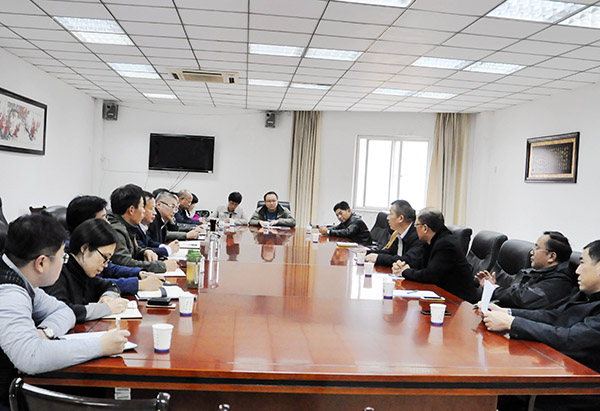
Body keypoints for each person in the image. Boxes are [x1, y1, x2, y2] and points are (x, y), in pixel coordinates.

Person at [0, 214, 129, 408]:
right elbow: (30, 357)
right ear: (41, 263)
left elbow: (64, 311)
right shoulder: (9, 293)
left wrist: (46, 332)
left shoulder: (23, 280)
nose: (64, 262)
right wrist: (101, 345)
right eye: (62, 256)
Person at [483, 240, 600, 411]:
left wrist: (512, 323)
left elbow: (570, 339)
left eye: (582, 263)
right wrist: (508, 313)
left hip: (578, 389)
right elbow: (554, 316)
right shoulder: (585, 295)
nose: (577, 271)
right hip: (554, 370)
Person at [66, 195, 164, 294]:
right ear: (88, 223)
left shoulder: (92, 243)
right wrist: (138, 284)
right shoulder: (69, 253)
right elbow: (93, 284)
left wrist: (139, 273)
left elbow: (110, 268)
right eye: (103, 218)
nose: (108, 223)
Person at [43, 219, 129, 324]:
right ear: (84, 248)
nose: (105, 265)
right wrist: (105, 308)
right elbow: (61, 312)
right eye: (104, 257)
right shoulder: (58, 272)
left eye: (108, 260)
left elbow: (110, 285)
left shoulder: (84, 272)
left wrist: (108, 296)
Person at [392, 207, 478, 303]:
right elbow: (419, 262)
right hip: (442, 294)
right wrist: (403, 266)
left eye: (416, 225)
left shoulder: (446, 244)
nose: (415, 229)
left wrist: (404, 272)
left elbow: (430, 276)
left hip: (458, 301)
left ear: (425, 228)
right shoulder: (431, 241)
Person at [475, 231, 575, 309]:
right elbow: (515, 293)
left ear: (551, 256)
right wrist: (492, 287)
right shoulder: (537, 273)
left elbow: (521, 299)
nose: (532, 252)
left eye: (537, 248)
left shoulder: (559, 283)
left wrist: (494, 289)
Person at [107, 184, 177, 273]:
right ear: (131, 210)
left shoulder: (127, 226)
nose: (143, 211)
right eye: (142, 207)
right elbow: (124, 263)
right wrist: (161, 266)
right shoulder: (117, 231)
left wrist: (145, 252)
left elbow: (133, 250)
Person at [366, 200, 425, 268]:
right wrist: (366, 252)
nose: (387, 218)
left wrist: (378, 258)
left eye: (391, 214)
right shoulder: (398, 234)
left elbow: (408, 260)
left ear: (400, 218)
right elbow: (389, 252)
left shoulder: (418, 236)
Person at [136, 191, 180, 258]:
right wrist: (168, 250)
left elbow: (149, 241)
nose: (155, 213)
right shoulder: (150, 222)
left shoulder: (161, 220)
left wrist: (163, 246)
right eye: (172, 206)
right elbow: (142, 251)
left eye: (176, 208)